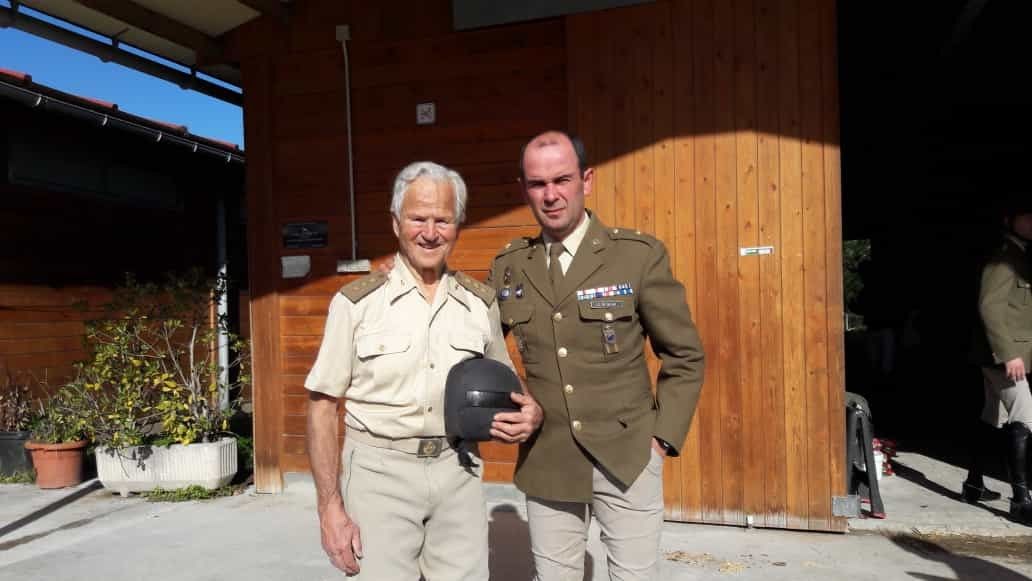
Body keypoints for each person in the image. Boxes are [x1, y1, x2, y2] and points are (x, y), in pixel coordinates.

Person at [305, 161, 543, 579]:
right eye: (418, 218)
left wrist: (531, 411)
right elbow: (322, 406)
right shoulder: (356, 304)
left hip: (459, 472)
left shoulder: (479, 304)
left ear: (457, 225)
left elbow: (507, 381)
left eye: (442, 220)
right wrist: (329, 506)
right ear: (396, 222)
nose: (430, 232)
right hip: (379, 475)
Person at [488, 130, 706, 580]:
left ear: (586, 181)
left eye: (562, 180)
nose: (551, 195)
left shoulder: (636, 257)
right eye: (537, 184)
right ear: (523, 190)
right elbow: (484, 348)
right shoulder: (508, 266)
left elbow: (684, 356)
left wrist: (660, 440)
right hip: (548, 457)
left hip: (627, 455)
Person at [964, 200, 1032, 523]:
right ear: (1010, 220)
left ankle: (973, 485)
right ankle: (1020, 500)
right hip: (1001, 357)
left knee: (992, 416)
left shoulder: (1018, 256)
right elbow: (989, 307)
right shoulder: (1005, 260)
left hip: (998, 355)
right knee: (1025, 413)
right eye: (1026, 217)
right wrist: (1008, 353)